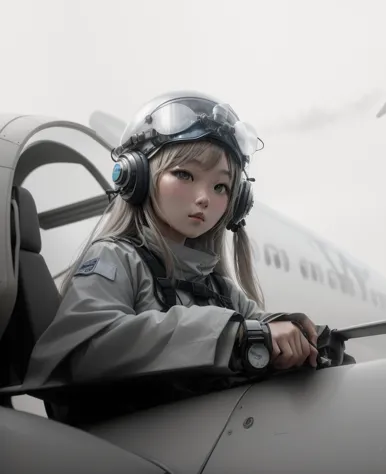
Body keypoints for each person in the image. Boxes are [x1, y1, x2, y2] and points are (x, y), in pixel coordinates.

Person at [24, 90, 320, 424]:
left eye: (220, 187)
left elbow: (258, 326)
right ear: (138, 177)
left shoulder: (219, 287)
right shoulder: (115, 259)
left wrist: (303, 339)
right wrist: (233, 335)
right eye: (184, 175)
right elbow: (82, 351)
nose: (204, 198)